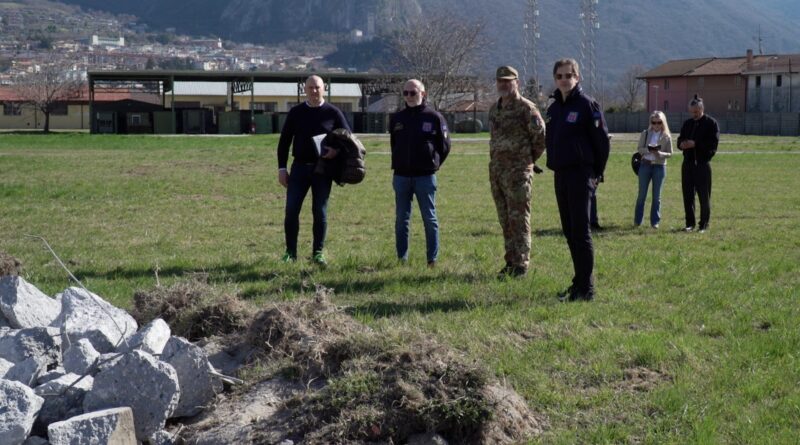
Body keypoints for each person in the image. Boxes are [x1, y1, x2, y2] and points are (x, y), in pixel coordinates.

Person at [545, 58, 609, 302]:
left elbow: (602, 142)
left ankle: (587, 289)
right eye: (559, 76)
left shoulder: (587, 105)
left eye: (568, 75)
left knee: (581, 232)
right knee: (569, 231)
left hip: (581, 174)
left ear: (577, 77)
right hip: (560, 174)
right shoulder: (553, 108)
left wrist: (596, 173)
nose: (564, 80)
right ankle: (579, 281)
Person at [277, 75, 351, 265]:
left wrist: (336, 151)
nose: (314, 91)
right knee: (291, 211)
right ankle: (290, 253)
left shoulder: (333, 113)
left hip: (323, 170)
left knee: (320, 211)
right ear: (305, 89)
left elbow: (349, 140)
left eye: (317, 87)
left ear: (324, 89)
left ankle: (318, 253)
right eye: (310, 88)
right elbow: (284, 142)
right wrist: (282, 168)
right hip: (299, 168)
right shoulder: (296, 112)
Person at [488, 65, 546, 277]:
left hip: (518, 174)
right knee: (505, 219)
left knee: (519, 219)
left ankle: (521, 264)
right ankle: (510, 261)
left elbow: (540, 138)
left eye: (508, 81)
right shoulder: (495, 109)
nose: (504, 84)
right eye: (500, 81)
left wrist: (526, 161)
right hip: (497, 172)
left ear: (517, 83)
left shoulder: (526, 108)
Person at [389, 79, 451, 266]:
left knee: (429, 218)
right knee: (401, 220)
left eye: (413, 93)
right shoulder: (397, 118)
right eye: (406, 93)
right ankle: (402, 259)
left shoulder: (434, 117)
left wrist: (434, 164)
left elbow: (445, 146)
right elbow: (394, 144)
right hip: (401, 177)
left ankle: (432, 259)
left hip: (425, 177)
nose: (409, 96)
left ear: (423, 94)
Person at [677, 95, 719, 233]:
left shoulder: (711, 123)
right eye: (692, 112)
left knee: (704, 196)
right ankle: (690, 224)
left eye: (696, 112)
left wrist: (695, 144)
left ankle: (704, 225)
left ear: (702, 109)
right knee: (688, 196)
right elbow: (679, 140)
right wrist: (682, 144)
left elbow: (712, 145)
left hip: (702, 165)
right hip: (687, 164)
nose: (694, 114)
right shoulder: (687, 123)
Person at [634, 111, 673, 228]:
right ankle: (637, 221)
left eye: (659, 122)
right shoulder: (645, 133)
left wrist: (660, 153)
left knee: (657, 197)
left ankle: (655, 222)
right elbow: (639, 148)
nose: (656, 125)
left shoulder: (667, 136)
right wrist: (648, 150)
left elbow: (670, 153)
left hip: (659, 167)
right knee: (642, 195)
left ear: (663, 122)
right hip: (645, 165)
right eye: (653, 122)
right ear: (650, 122)